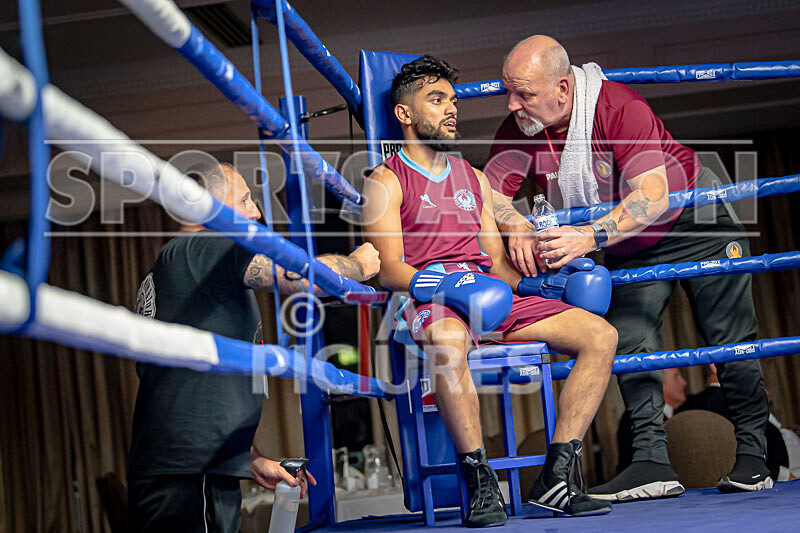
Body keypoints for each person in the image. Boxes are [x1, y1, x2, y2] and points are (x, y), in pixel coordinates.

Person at [485, 34, 772, 500]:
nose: (513, 104)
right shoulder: (519, 127)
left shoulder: (618, 107)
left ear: (562, 88)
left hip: (695, 223)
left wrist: (590, 235)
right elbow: (489, 191)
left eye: (524, 93)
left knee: (729, 336)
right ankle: (651, 463)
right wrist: (514, 221)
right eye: (508, 91)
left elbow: (653, 194)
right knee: (630, 340)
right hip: (628, 244)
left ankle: (755, 459)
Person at [362, 55, 617, 526]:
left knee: (600, 335)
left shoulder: (474, 180)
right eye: (436, 100)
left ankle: (557, 477)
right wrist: (447, 283)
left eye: (452, 100)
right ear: (404, 114)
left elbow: (498, 266)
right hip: (430, 300)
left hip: (489, 294)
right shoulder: (385, 180)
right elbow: (387, 269)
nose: (450, 109)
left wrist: (550, 283)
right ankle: (479, 482)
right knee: (448, 340)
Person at [127, 161, 380, 532]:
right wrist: (357, 264)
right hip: (188, 474)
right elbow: (294, 277)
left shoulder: (185, 267)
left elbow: (192, 395)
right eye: (244, 199)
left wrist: (252, 459)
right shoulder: (203, 245)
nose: (256, 211)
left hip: (193, 469)